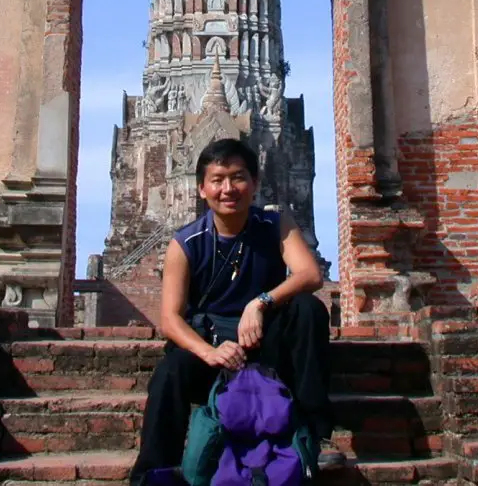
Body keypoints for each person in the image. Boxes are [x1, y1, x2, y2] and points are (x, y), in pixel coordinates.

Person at [129, 138, 343, 485]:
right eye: (217, 179)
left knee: (308, 309)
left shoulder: (274, 224)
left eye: (238, 177)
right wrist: (210, 352)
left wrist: (260, 303)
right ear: (201, 188)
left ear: (255, 183)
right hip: (212, 346)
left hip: (263, 339)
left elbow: (310, 275)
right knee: (170, 371)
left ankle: (313, 435)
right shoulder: (186, 243)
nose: (228, 188)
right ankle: (153, 471)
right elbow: (170, 318)